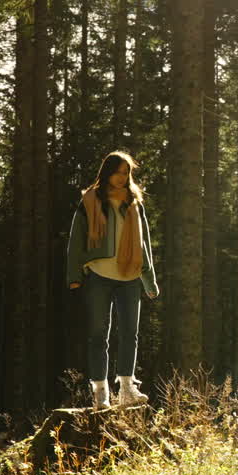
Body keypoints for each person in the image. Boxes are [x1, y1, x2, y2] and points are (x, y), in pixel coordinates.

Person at [66, 151, 159, 408]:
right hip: (99, 275)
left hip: (130, 276)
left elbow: (144, 244)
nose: (122, 178)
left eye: (126, 173)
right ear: (107, 172)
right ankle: (100, 392)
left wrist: (149, 281)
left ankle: (127, 388)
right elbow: (76, 240)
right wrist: (74, 275)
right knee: (98, 334)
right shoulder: (91, 201)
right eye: (117, 172)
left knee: (130, 333)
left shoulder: (134, 203)